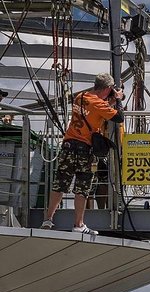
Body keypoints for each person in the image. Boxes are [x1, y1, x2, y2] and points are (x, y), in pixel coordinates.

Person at [41, 72, 124, 234]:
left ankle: (48, 219)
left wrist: (110, 100)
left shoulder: (80, 96)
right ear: (107, 88)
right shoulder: (99, 105)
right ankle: (78, 225)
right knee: (82, 187)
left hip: (68, 145)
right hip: (84, 149)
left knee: (60, 183)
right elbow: (119, 117)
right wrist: (118, 99)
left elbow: (93, 109)